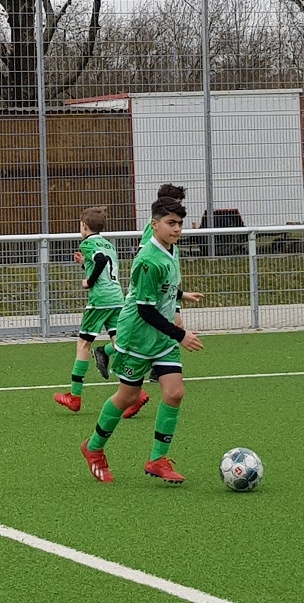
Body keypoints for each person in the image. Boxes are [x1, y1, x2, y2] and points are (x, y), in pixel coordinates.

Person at [79, 197, 205, 485]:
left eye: (180, 224)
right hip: (137, 337)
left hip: (161, 337)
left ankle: (157, 459)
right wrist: (181, 334)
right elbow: (145, 309)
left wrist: (180, 295)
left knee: (174, 393)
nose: (177, 229)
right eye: (171, 223)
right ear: (154, 224)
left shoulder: (171, 249)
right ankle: (93, 448)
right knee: (129, 396)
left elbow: (163, 286)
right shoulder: (147, 260)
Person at [91, 183, 187, 388]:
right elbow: (145, 257)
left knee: (167, 330)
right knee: (171, 327)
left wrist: (180, 293)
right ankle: (154, 367)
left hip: (165, 291)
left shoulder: (170, 237)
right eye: (175, 203)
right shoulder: (153, 235)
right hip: (153, 292)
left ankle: (108, 352)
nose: (177, 223)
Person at [53, 207, 124, 413]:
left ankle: (74, 397)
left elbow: (100, 261)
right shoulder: (109, 244)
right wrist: (85, 264)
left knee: (83, 344)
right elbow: (104, 263)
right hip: (117, 298)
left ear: (84, 226)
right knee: (120, 343)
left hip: (100, 300)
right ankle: (134, 393)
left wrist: (89, 281)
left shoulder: (87, 243)